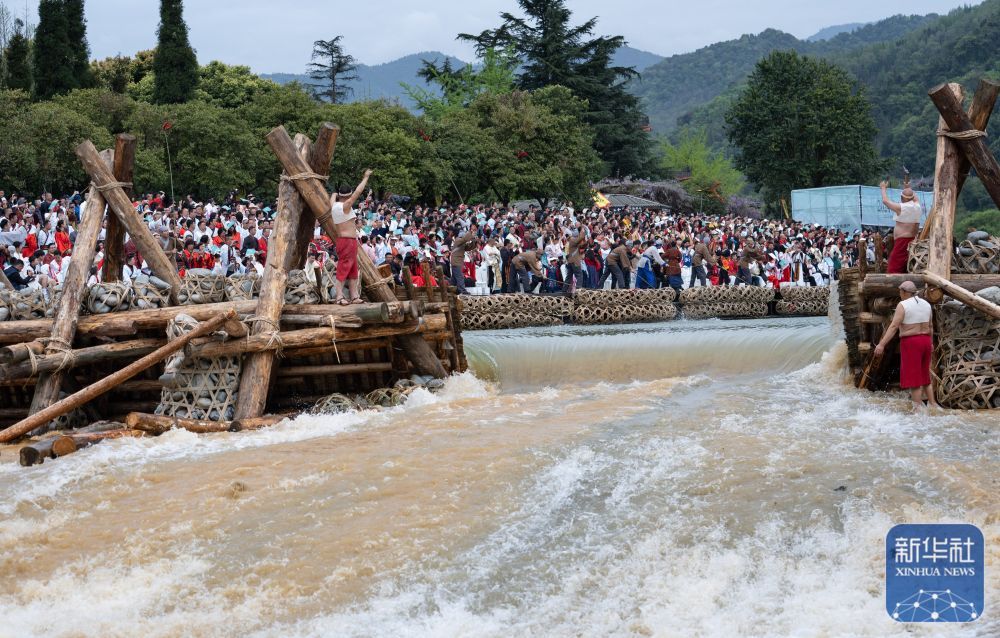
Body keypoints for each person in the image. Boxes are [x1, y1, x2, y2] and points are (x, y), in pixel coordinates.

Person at [874, 280, 939, 411]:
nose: (899, 294)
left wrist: (881, 344)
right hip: (926, 340)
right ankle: (933, 405)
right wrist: (931, 343)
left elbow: (893, 327)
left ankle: (917, 409)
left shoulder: (902, 305)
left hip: (912, 343)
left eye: (900, 291)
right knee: (925, 375)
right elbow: (931, 326)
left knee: (914, 378)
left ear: (904, 292)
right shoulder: (926, 304)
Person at [330, 169, 372, 305]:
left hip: (348, 241)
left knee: (353, 268)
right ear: (348, 196)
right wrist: (365, 177)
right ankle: (339, 297)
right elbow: (358, 193)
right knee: (343, 268)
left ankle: (354, 296)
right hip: (346, 240)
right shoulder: (345, 206)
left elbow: (331, 199)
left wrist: (334, 194)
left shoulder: (334, 205)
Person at [881, 180, 922, 274]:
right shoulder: (917, 205)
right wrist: (907, 187)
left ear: (901, 197)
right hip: (912, 240)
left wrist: (883, 188)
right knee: (904, 267)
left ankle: (894, 287)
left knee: (893, 269)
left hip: (902, 241)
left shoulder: (902, 207)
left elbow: (885, 201)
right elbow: (913, 196)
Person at [450, 222, 479, 294]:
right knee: (460, 276)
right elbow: (465, 239)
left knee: (454, 278)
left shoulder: (461, 242)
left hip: (457, 261)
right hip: (456, 261)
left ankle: (452, 290)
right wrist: (471, 232)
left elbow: (468, 248)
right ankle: (462, 290)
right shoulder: (458, 240)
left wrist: (474, 241)